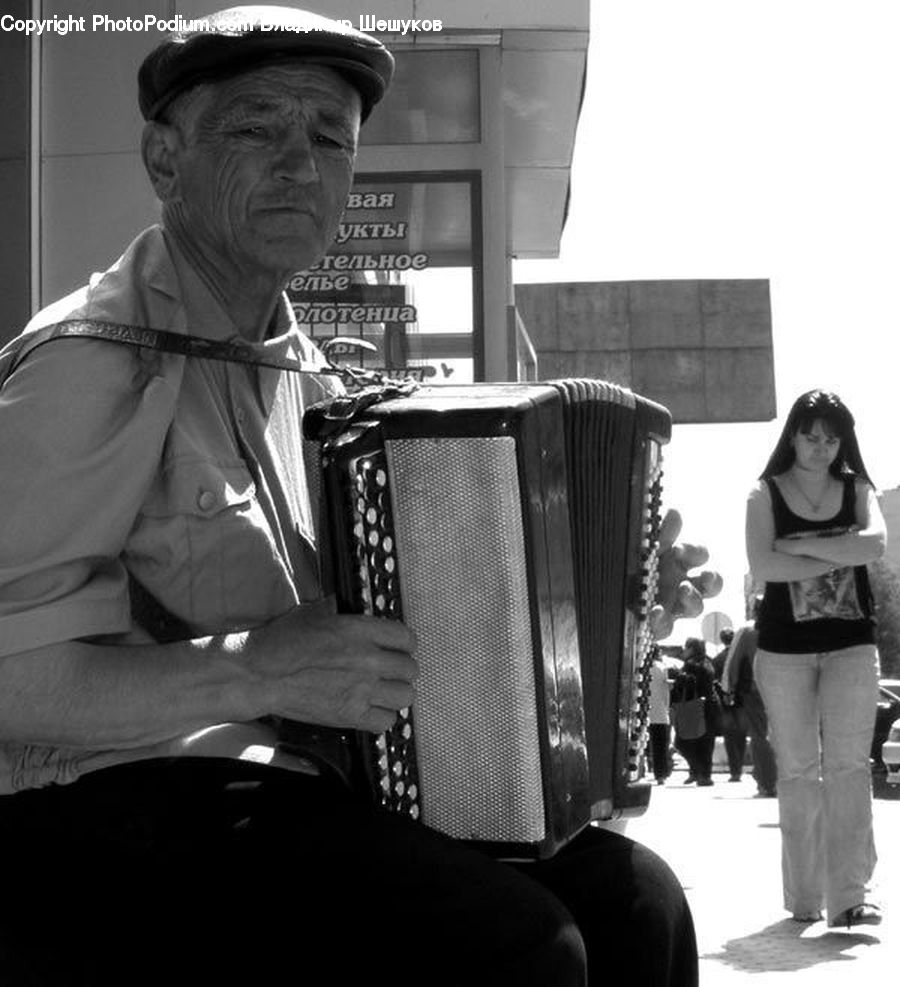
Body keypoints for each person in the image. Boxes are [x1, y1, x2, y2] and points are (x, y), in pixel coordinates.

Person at [0, 8, 718, 985]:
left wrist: (578, 617)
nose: (301, 164)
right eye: (257, 128)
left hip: (310, 792)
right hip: (123, 803)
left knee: (637, 898)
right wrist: (253, 672)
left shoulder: (325, 385)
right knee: (517, 946)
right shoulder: (89, 365)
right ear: (165, 160)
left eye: (328, 138)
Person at [746, 389, 886, 929]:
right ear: (793, 436)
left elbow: (873, 546)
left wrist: (797, 551)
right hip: (783, 654)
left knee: (850, 767)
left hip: (853, 646)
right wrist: (838, 547)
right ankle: (805, 897)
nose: (821, 447)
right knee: (800, 772)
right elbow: (763, 565)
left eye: (831, 438)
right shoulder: (763, 495)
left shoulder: (857, 489)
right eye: (811, 435)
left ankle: (851, 897)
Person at [720, 618, 778, 797]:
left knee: (759, 735)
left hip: (755, 690)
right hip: (784, 687)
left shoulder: (747, 630)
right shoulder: (784, 623)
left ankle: (767, 782)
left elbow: (734, 659)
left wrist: (728, 688)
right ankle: (772, 777)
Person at [671, 637, 718, 786]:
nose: (684, 651)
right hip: (709, 705)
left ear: (691, 649)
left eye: (686, 648)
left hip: (695, 706)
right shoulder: (708, 662)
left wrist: (678, 677)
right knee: (705, 741)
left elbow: (688, 684)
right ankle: (701, 773)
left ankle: (699, 771)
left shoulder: (692, 665)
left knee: (683, 741)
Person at [711, 627, 747, 781]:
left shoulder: (718, 659)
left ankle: (735, 771)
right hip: (741, 702)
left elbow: (714, 682)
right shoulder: (742, 658)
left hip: (725, 704)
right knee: (741, 736)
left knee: (730, 737)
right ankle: (739, 768)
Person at [647, 647, 674, 784]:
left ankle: (645, 767)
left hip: (644, 710)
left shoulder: (641, 667)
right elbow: (665, 692)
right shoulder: (662, 668)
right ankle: (661, 774)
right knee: (660, 745)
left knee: (644, 743)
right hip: (660, 711)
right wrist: (667, 708)